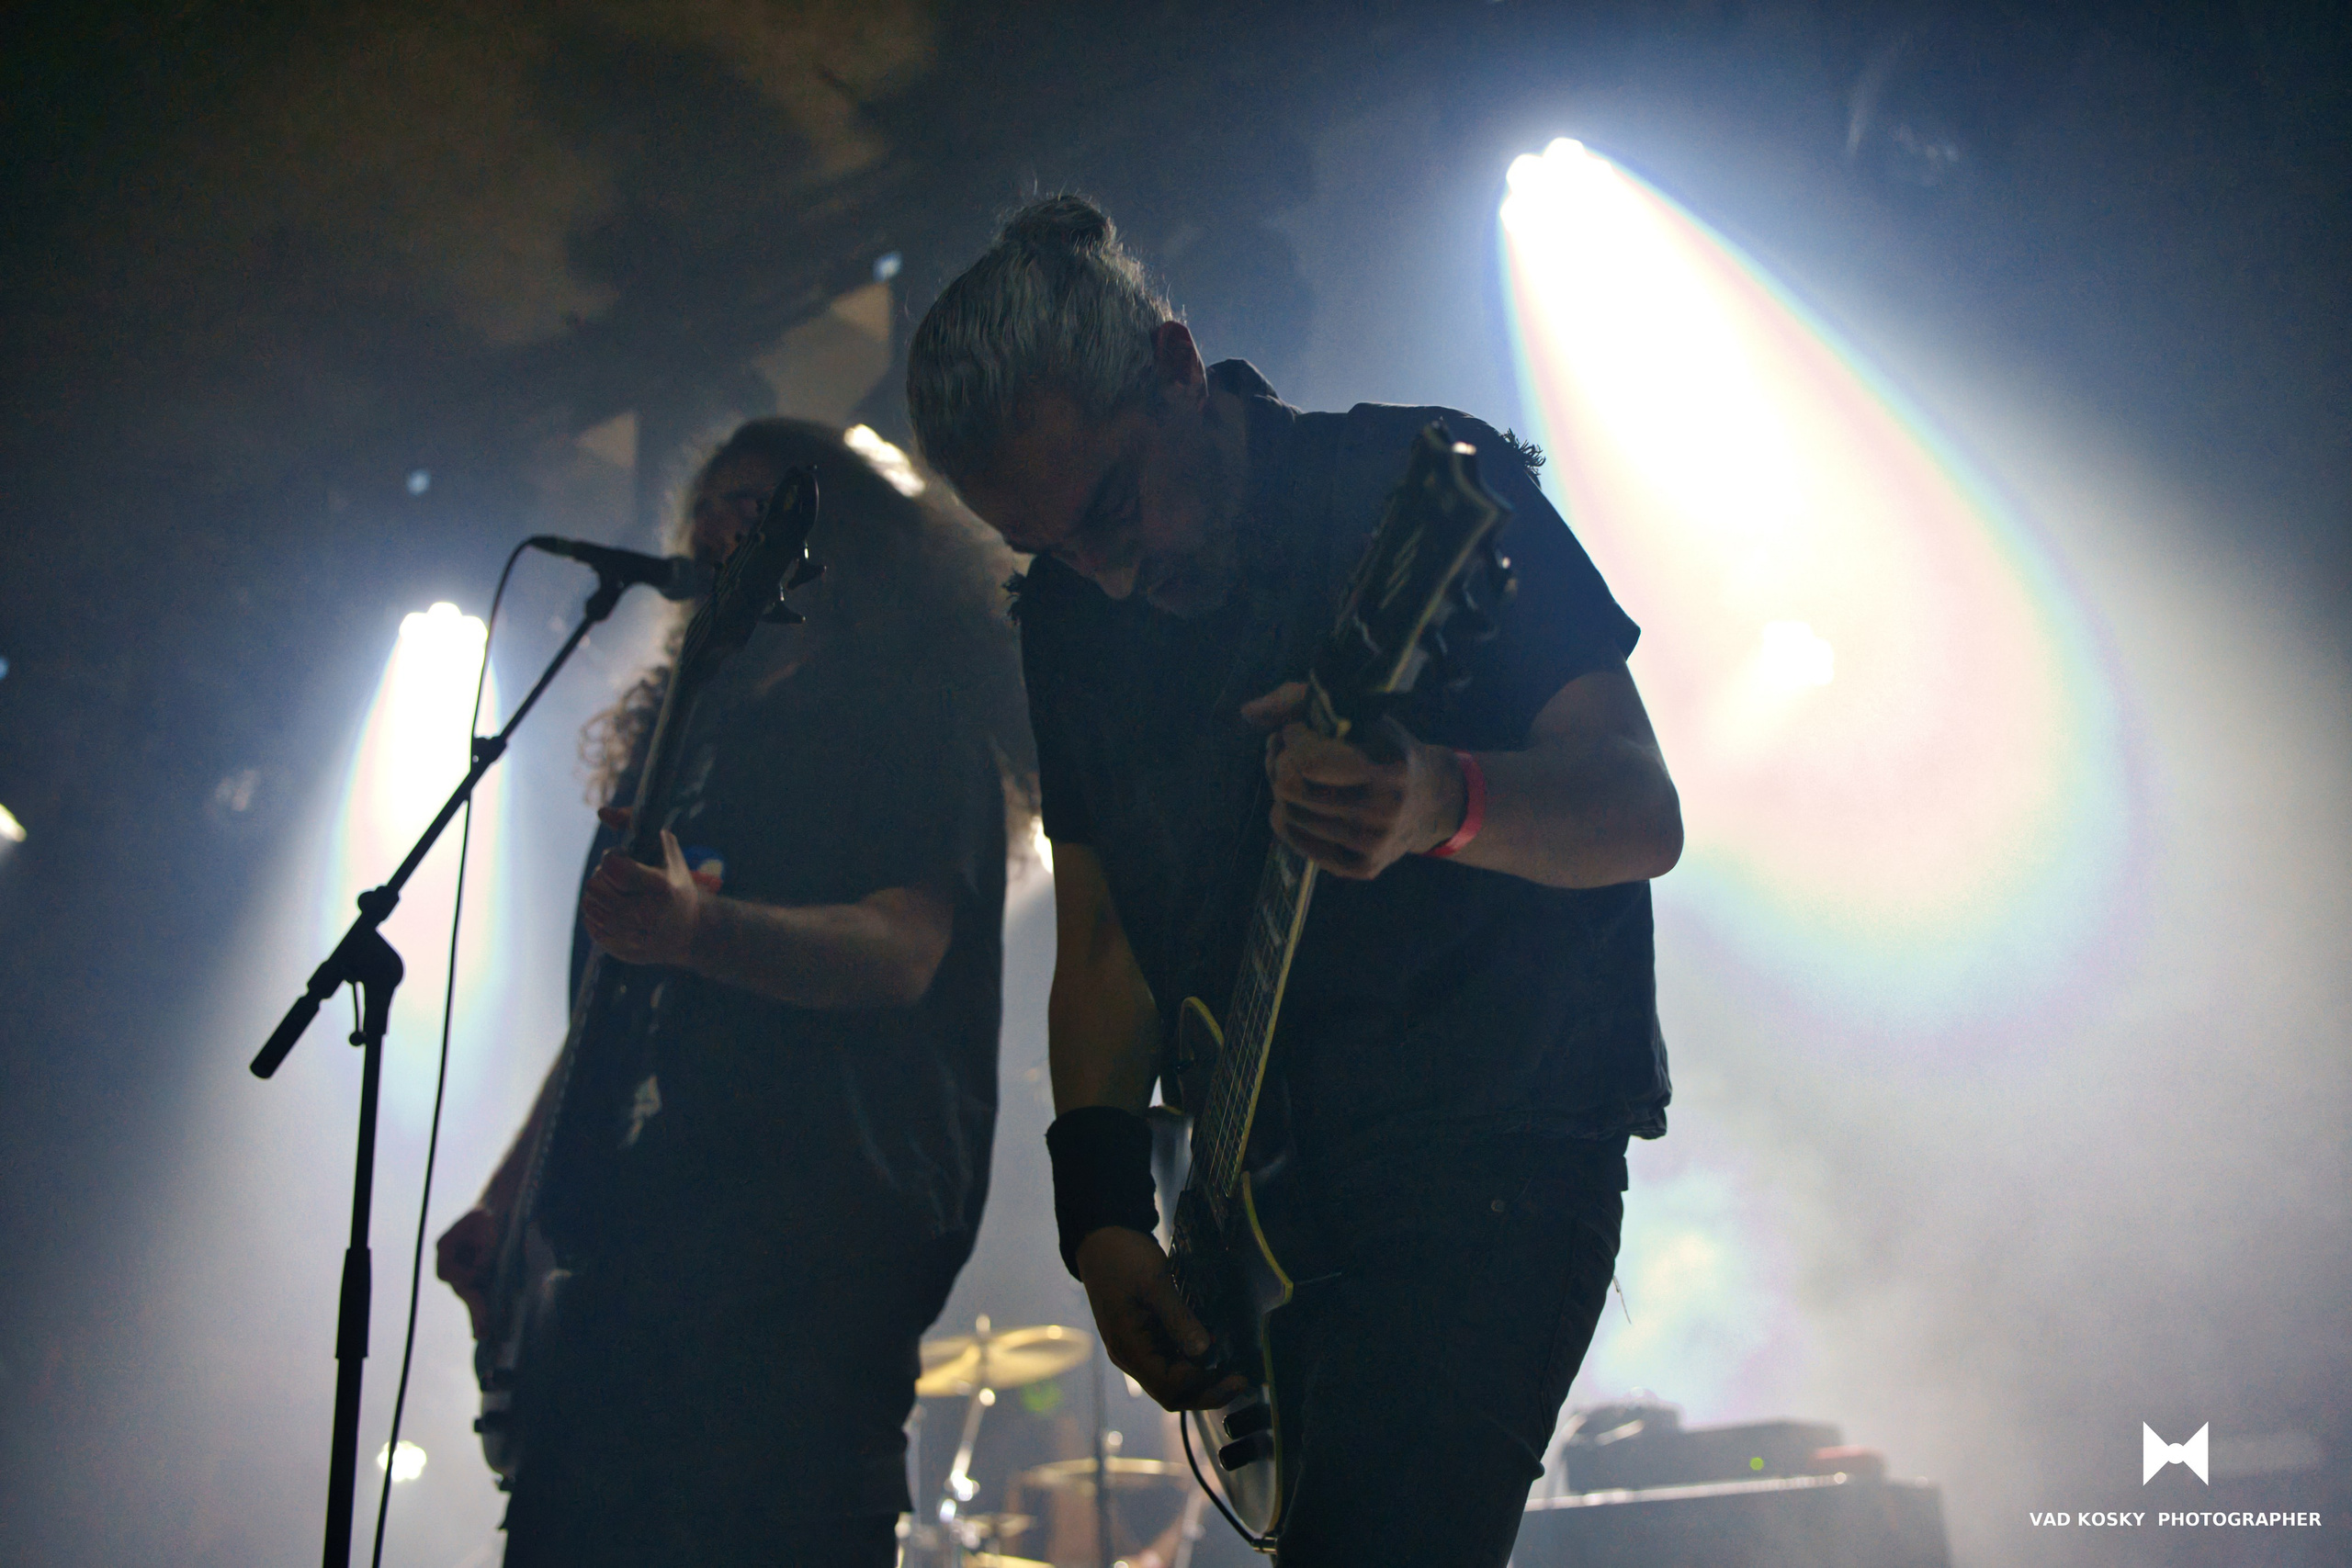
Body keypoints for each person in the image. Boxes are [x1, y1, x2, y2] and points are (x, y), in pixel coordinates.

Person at [905, 197, 1682, 1567]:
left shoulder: (1414, 487)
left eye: (1109, 507)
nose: (1107, 570)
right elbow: (1099, 941)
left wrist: (1440, 798)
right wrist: (1100, 1216)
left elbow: (1638, 807)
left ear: (1174, 364)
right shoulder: (1075, 620)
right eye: (1053, 550)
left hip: (1490, 1153)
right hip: (1264, 1208)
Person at [434, 418, 1034, 1567]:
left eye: (759, 500)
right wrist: (511, 1203)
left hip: (796, 1282)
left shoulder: (906, 717)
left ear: (840, 538)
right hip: (617, 1285)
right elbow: (622, 987)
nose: (720, 525)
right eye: (709, 503)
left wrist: (703, 931)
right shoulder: (684, 733)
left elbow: (905, 949)